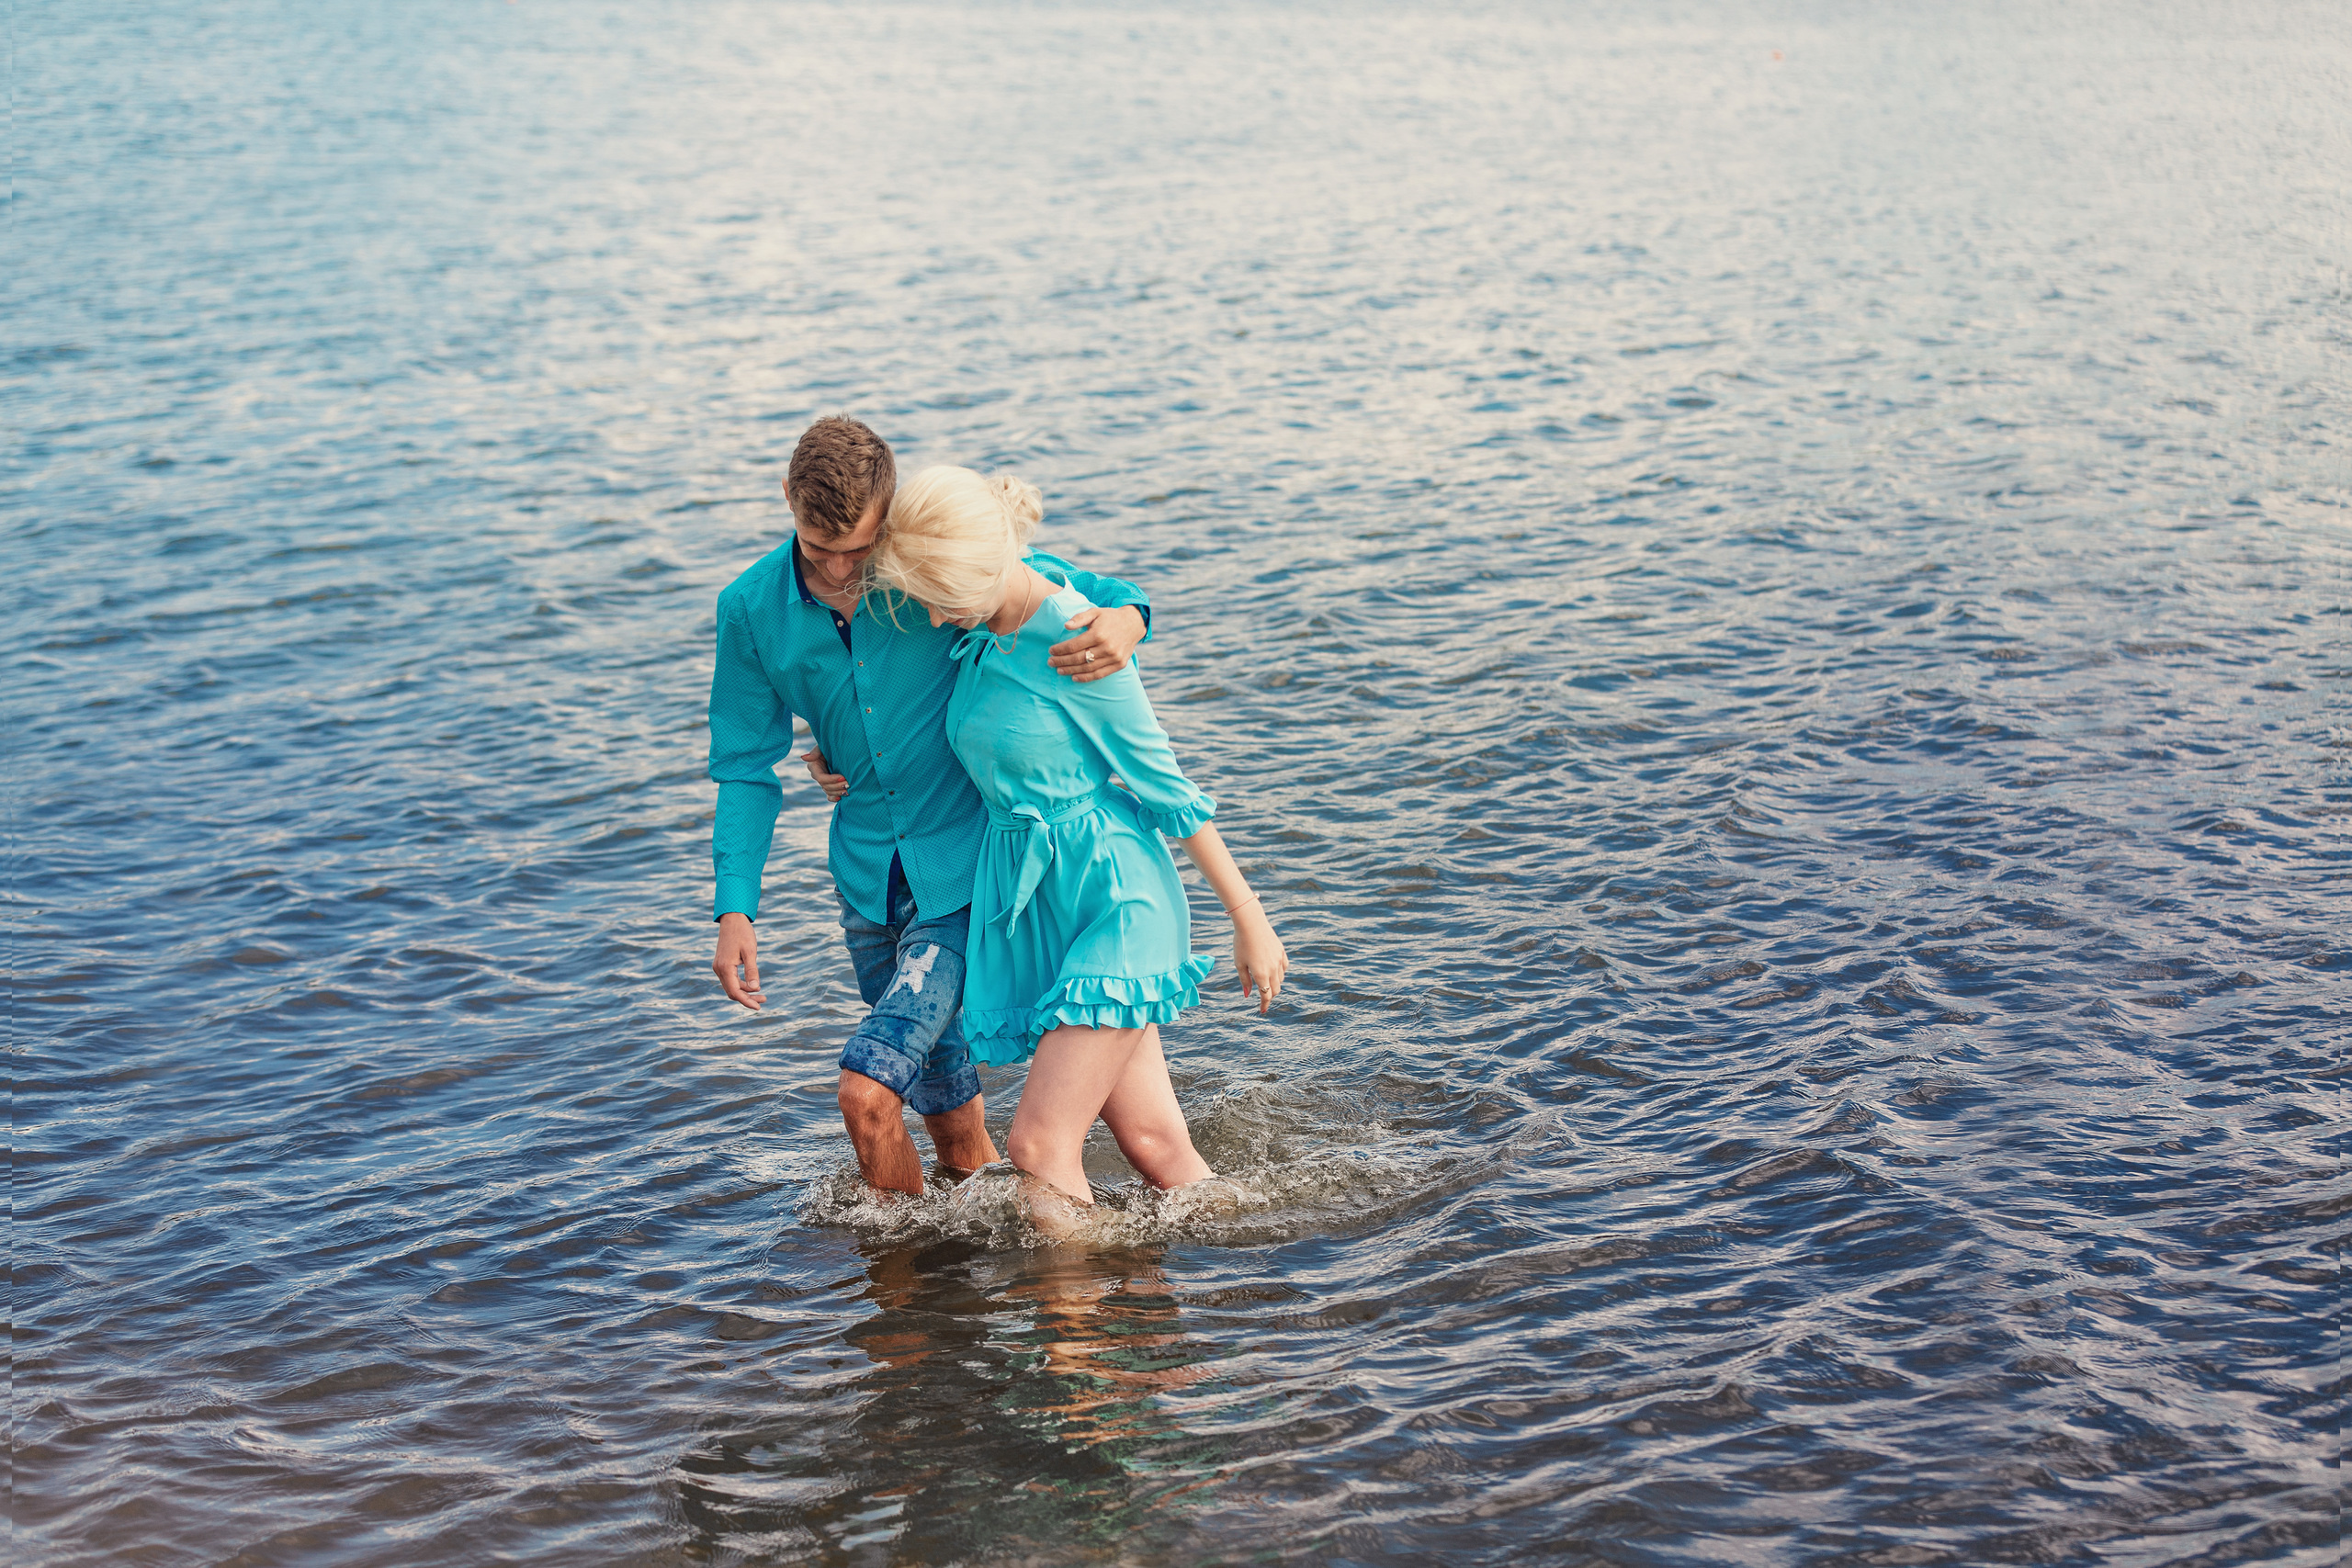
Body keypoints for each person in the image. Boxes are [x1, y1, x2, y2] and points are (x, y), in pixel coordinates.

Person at [707, 417, 1155, 1197]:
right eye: (819, 548)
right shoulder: (748, 609)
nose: (841, 570)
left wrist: (1128, 616)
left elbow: (1060, 587)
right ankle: (988, 1258)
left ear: (887, 512)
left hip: (962, 873)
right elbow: (746, 767)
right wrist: (735, 909)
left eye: (859, 550)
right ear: (786, 499)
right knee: (950, 1120)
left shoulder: (925, 567)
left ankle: (909, 1273)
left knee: (867, 1093)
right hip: (865, 887)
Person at [867, 465, 1287, 1229]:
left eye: (938, 597)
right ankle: (1255, 1262)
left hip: (1114, 901)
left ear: (977, 570)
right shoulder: (986, 620)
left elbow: (1167, 788)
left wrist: (1247, 917)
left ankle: (1070, 1307)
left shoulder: (1076, 640)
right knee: (1155, 1143)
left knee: (1036, 1144)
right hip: (1046, 910)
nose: (931, 617)